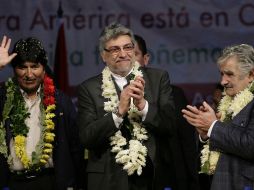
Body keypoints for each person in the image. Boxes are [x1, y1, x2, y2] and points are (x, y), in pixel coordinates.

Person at [77, 22, 187, 190]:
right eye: (114, 49)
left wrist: (143, 106)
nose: (123, 54)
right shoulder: (89, 88)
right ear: (103, 55)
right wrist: (118, 112)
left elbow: (170, 126)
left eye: (128, 47)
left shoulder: (158, 79)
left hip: (150, 178)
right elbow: (87, 138)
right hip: (108, 179)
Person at [0, 36, 84, 190]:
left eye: (34, 66)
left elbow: (75, 148)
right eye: (22, 67)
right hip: (12, 183)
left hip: (51, 182)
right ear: (14, 69)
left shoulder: (61, 101)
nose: (29, 74)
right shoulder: (3, 99)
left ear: (44, 68)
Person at [182, 44, 254, 190]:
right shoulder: (226, 104)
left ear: (251, 75)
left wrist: (213, 126)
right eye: (222, 74)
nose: (223, 81)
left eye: (230, 74)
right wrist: (205, 135)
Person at [134, 34, 200, 190]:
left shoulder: (173, 94)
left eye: (134, 54)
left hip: (167, 179)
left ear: (146, 59)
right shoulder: (108, 97)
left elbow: (187, 144)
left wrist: (193, 182)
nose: (128, 61)